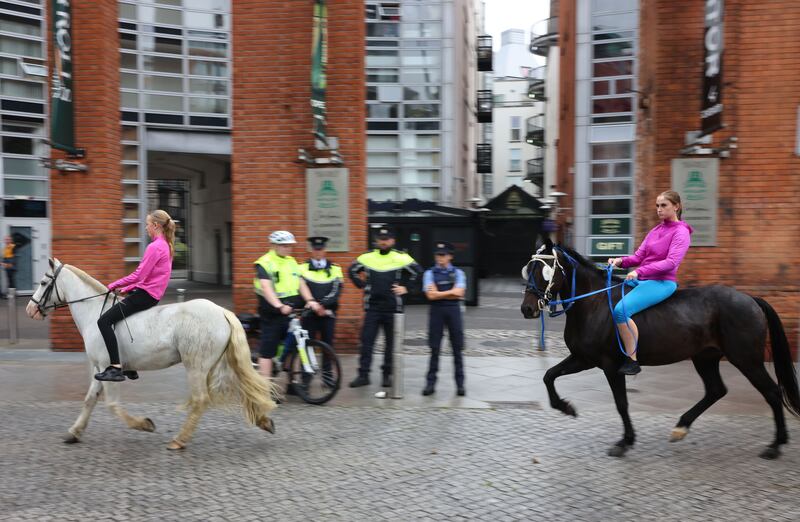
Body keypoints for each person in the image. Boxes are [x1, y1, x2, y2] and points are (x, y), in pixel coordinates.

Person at [608, 190, 693, 375]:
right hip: (643, 280)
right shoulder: (656, 230)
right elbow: (639, 256)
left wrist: (639, 271)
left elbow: (671, 263)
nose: (659, 209)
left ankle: (632, 360)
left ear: (676, 206)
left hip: (661, 283)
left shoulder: (681, 232)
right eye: (657, 206)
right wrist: (620, 261)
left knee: (621, 310)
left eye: (664, 205)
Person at [95, 210, 176, 381]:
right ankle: (130, 367)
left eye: (147, 224)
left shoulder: (154, 247)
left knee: (103, 321)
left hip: (145, 296)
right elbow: (148, 277)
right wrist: (127, 289)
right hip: (148, 293)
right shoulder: (166, 245)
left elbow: (138, 275)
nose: (146, 228)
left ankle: (116, 367)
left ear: (155, 225)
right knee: (119, 319)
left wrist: (113, 285)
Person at [348, 227, 422, 388]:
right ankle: (363, 375)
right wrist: (361, 284)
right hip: (372, 308)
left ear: (392, 240)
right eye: (381, 239)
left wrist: (406, 288)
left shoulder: (401, 257)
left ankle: (386, 375)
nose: (383, 241)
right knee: (366, 342)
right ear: (376, 240)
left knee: (391, 345)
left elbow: (418, 272)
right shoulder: (367, 257)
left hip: (393, 308)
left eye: (387, 238)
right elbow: (351, 270)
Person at [254, 230, 319, 382]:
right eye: (284, 246)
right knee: (268, 352)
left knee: (295, 346)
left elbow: (300, 283)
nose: (288, 248)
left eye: (290, 246)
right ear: (274, 245)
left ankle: (293, 385)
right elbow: (266, 287)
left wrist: (310, 300)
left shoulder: (291, 261)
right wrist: (279, 306)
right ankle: (265, 390)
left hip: (290, 312)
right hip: (272, 313)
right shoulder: (264, 263)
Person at [422, 241, 467, 397]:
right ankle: (430, 384)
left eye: (443, 255)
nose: (439, 257)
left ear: (450, 256)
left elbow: (460, 293)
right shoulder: (429, 273)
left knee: (457, 349)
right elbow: (430, 295)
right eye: (437, 255)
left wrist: (439, 293)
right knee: (434, 348)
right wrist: (451, 291)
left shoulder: (459, 273)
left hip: (453, 311)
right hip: (436, 312)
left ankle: (460, 385)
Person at [298, 236, 343, 348]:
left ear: (325, 250)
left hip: (328, 313)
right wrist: (315, 307)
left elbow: (336, 291)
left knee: (328, 347)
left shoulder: (335, 268)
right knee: (307, 347)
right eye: (316, 249)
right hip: (309, 314)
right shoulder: (301, 267)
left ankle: (327, 367)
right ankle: (306, 367)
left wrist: (321, 306)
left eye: (320, 249)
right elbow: (300, 289)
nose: (318, 252)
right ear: (311, 250)